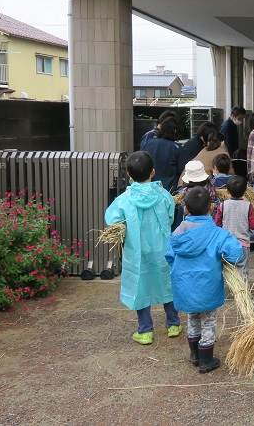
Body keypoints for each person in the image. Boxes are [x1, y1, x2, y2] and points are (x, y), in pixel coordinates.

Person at [104, 151, 180, 345]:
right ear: (153, 172)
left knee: (140, 284)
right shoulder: (163, 195)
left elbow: (112, 220)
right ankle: (173, 323)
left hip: (137, 251)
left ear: (129, 176)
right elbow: (171, 217)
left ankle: (145, 330)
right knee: (166, 282)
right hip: (162, 248)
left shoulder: (124, 199)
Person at [167, 186, 243, 374]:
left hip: (185, 286)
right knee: (208, 320)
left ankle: (194, 354)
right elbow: (236, 253)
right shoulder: (217, 233)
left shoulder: (177, 233)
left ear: (185, 208)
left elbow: (168, 255)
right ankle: (206, 360)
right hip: (208, 286)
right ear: (210, 208)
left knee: (192, 317)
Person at [213, 175, 254, 280]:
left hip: (226, 244)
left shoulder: (223, 205)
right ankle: (243, 293)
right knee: (242, 270)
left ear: (227, 191)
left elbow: (217, 224)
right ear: (245, 191)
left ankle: (228, 290)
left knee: (227, 269)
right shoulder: (248, 206)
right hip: (243, 244)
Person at [141, 119, 183, 193]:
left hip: (147, 186)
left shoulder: (148, 142)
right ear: (173, 132)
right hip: (168, 189)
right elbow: (180, 169)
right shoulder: (175, 147)